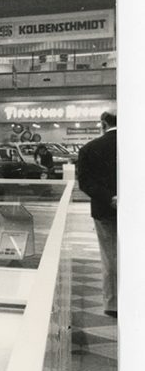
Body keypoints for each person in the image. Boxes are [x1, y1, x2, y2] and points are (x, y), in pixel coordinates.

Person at [76, 110, 117, 318]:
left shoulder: (89, 149)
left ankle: (113, 304)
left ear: (103, 123)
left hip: (105, 210)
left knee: (110, 257)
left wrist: (111, 198)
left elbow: (85, 182)